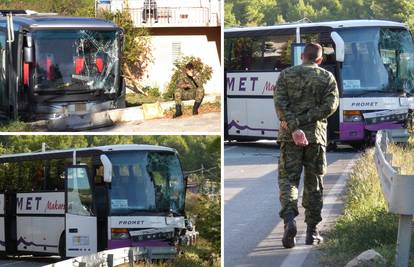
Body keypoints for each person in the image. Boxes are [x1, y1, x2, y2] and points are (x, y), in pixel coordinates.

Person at [274, 43, 339, 248]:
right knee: (314, 184)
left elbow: (280, 104)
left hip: (290, 137)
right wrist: (307, 120)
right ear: (320, 60)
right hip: (315, 139)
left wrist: (294, 127)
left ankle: (290, 220)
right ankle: (312, 232)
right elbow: (331, 106)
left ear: (302, 56)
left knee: (288, 181)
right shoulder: (327, 77)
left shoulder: (286, 75)